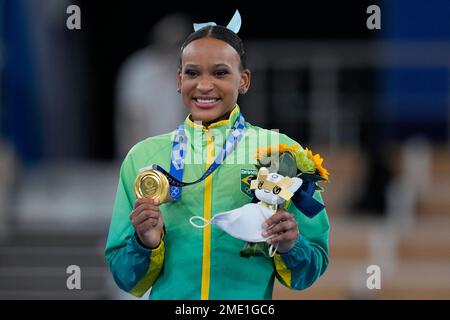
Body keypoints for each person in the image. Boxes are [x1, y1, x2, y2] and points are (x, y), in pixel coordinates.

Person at [105, 10, 330, 300]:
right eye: (192, 73)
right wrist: (145, 243)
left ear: (244, 80)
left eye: (221, 72)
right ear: (178, 80)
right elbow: (124, 277)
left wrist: (290, 244)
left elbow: (311, 268)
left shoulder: (283, 153)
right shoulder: (144, 156)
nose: (204, 85)